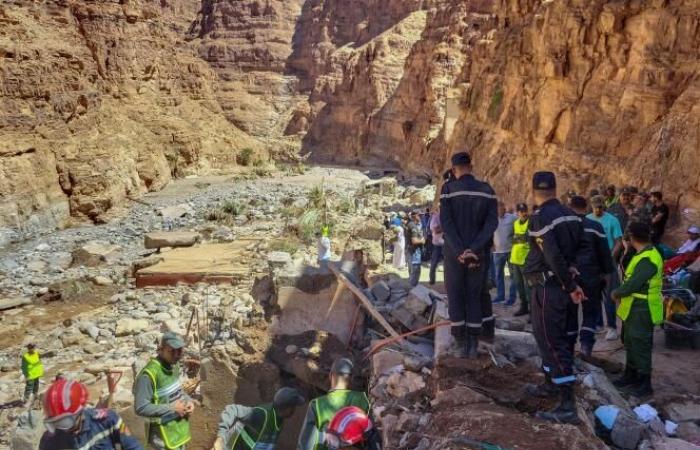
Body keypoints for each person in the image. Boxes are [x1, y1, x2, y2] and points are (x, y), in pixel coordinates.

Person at [523, 171, 585, 424]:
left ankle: (567, 405)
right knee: (563, 338)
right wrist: (573, 277)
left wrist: (569, 284)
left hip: (549, 288)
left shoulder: (540, 217)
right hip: (564, 287)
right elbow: (582, 248)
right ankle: (551, 384)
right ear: (555, 188)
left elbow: (551, 254)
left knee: (550, 340)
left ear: (533, 189)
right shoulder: (571, 214)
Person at [440, 152, 498, 358]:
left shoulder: (447, 190)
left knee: (456, 294)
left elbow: (446, 224)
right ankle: (473, 344)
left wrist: (460, 250)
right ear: (471, 167)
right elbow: (491, 224)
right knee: (474, 295)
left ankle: (459, 343)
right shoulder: (487, 191)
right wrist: (474, 248)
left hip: (454, 254)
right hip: (478, 254)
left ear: (454, 169)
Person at [611, 222, 664, 397]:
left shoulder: (648, 258)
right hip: (634, 306)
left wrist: (617, 293)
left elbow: (634, 283)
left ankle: (644, 383)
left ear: (631, 237)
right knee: (631, 341)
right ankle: (630, 375)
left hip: (643, 308)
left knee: (640, 343)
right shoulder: (641, 253)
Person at [40, 378, 143, 450]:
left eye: (64, 421)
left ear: (80, 411)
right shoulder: (49, 442)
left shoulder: (107, 421)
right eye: (54, 422)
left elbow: (133, 447)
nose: (61, 428)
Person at [134, 332, 195, 450]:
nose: (177, 355)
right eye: (172, 351)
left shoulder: (174, 365)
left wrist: (188, 400)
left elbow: (177, 391)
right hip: (161, 437)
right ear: (161, 350)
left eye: (180, 350)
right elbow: (140, 407)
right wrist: (171, 408)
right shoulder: (149, 375)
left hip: (179, 430)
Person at [570, 197, 614, 357]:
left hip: (571, 275)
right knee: (590, 312)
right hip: (591, 275)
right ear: (587, 207)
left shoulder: (566, 226)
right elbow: (604, 254)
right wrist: (606, 273)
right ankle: (586, 347)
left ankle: (569, 348)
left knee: (570, 311)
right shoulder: (595, 226)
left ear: (570, 207)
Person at [298, 358, 374, 450]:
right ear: (350, 378)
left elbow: (306, 443)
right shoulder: (363, 399)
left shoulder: (316, 405)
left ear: (331, 376)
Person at [212, 387, 305, 450]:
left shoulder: (279, 419)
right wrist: (220, 437)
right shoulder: (261, 414)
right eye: (293, 407)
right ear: (287, 408)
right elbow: (232, 409)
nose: (294, 410)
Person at [587, 195, 624, 341]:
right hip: (592, 264)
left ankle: (612, 327)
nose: (598, 210)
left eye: (601, 207)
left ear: (604, 206)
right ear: (591, 206)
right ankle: (598, 324)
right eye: (596, 207)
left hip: (608, 263)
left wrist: (609, 258)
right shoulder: (587, 219)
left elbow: (618, 242)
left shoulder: (612, 220)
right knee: (594, 295)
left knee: (609, 296)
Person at [492, 202, 517, 305]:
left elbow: (519, 227)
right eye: (498, 209)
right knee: (498, 275)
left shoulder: (512, 218)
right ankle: (500, 296)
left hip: (510, 251)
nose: (500, 211)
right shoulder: (492, 219)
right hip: (497, 252)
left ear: (504, 208)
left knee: (513, 275)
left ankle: (512, 297)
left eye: (501, 209)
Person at [510, 203, 531, 316]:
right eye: (521, 211)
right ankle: (524, 307)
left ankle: (533, 312)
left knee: (529, 287)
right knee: (519, 286)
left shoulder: (531, 223)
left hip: (526, 259)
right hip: (515, 258)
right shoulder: (515, 223)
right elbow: (512, 238)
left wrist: (519, 239)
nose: (523, 213)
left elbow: (528, 238)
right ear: (517, 213)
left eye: (525, 210)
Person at [406, 211, 425, 286]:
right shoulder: (413, 226)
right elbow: (414, 241)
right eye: (419, 215)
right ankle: (412, 290)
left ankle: (411, 289)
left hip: (411, 250)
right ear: (415, 216)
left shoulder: (410, 224)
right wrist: (422, 241)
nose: (421, 217)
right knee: (415, 272)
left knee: (412, 272)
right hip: (414, 251)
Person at [429, 207, 444, 285]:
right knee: (434, 263)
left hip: (445, 244)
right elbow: (435, 230)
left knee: (448, 264)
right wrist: (445, 227)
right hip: (437, 243)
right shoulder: (435, 217)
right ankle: (432, 280)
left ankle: (448, 281)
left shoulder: (445, 216)